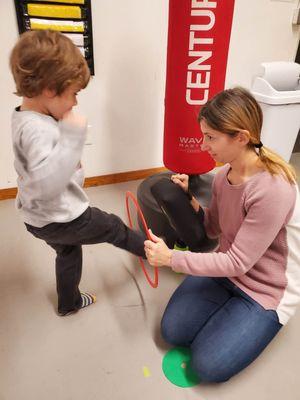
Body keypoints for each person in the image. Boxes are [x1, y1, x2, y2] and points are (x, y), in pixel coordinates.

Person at [144, 87, 300, 383]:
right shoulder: (222, 177)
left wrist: (171, 258)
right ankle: (228, 315)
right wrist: (189, 200)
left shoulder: (272, 189)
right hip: (227, 273)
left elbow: (238, 262)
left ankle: (256, 320)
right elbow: (213, 228)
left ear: (241, 137)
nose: (204, 146)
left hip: (264, 290)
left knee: (207, 366)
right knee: (173, 332)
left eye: (211, 137)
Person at [9, 30, 145, 316]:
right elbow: (48, 185)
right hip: (64, 217)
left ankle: (68, 303)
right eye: (74, 94)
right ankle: (155, 254)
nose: (75, 103)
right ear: (49, 89)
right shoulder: (37, 131)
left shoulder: (25, 116)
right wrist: (72, 137)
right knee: (114, 227)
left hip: (37, 220)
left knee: (68, 251)